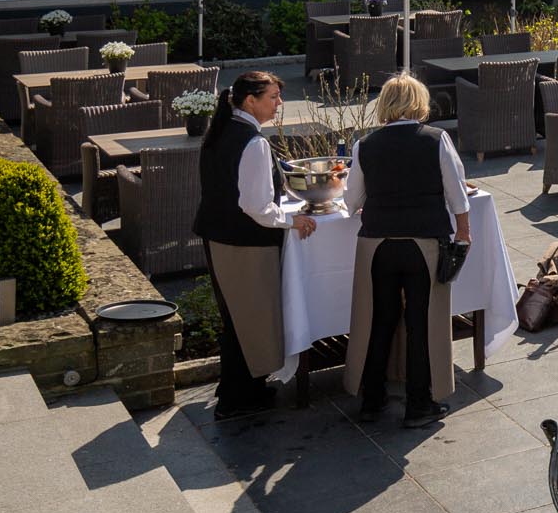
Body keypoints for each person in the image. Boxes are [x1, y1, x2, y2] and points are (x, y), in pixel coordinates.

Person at [343, 74, 472, 428]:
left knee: (378, 320)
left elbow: (351, 201)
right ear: (420, 102)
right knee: (423, 323)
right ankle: (419, 404)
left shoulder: (365, 145)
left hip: (378, 243)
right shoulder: (436, 139)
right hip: (424, 242)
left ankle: (372, 399)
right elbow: (457, 193)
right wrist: (463, 232)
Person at [194, 71, 317, 421]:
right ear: (250, 100)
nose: (279, 104)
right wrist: (293, 220)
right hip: (244, 242)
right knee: (250, 318)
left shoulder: (221, 129)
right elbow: (256, 206)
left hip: (219, 235)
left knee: (236, 318)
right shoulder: (252, 142)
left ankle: (238, 389)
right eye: (273, 97)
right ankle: (237, 398)